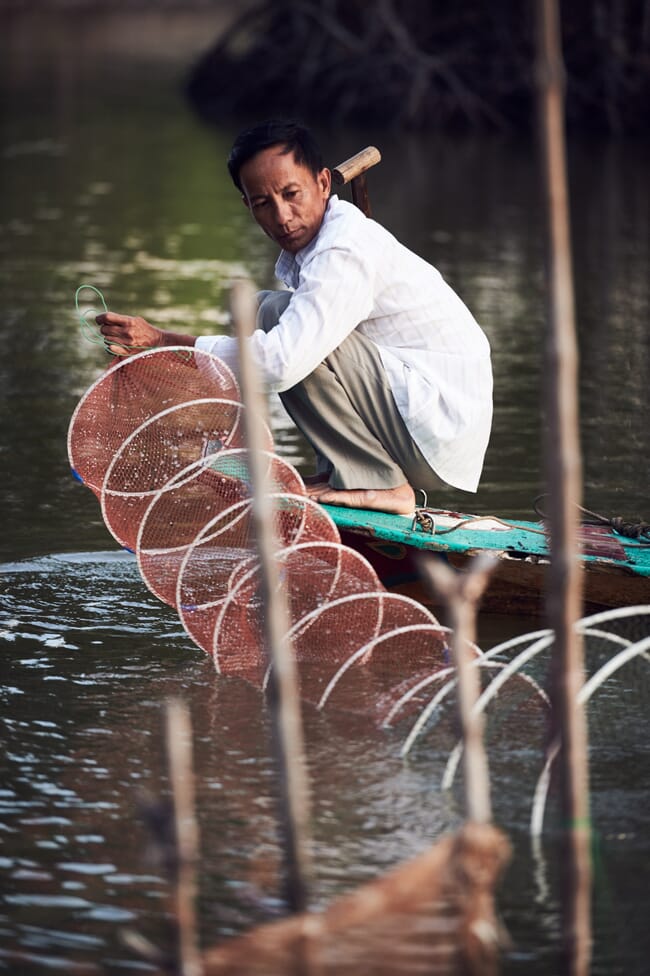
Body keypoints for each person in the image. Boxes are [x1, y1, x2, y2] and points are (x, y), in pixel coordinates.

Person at [98, 119, 493, 516]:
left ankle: (379, 482)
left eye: (291, 194)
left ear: (323, 184)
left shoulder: (344, 251)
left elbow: (280, 363)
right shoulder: (325, 245)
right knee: (269, 310)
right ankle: (348, 470)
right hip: (420, 420)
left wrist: (164, 341)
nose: (282, 216)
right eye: (263, 204)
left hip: (438, 427)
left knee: (283, 327)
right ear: (248, 207)